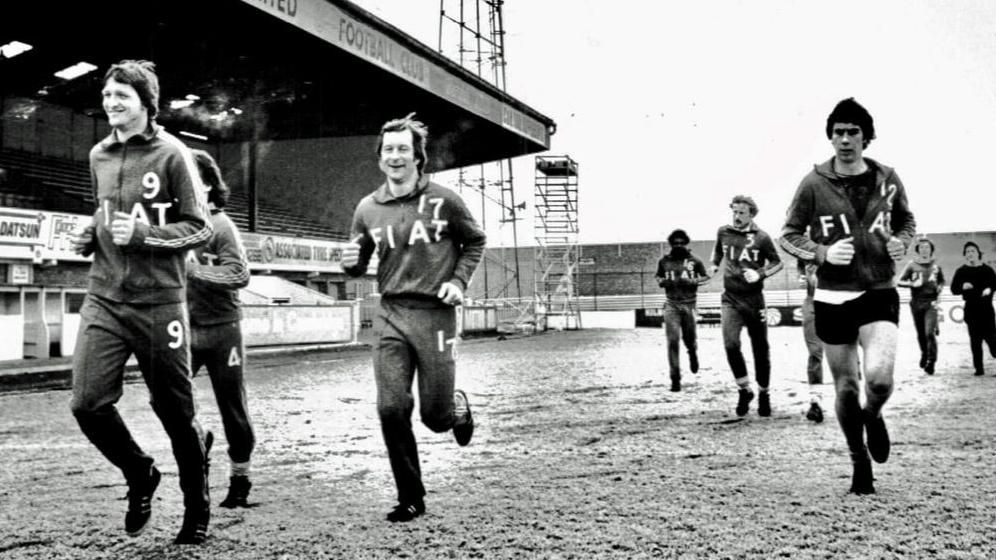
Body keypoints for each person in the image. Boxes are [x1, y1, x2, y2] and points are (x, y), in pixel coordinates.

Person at [67, 60, 215, 543]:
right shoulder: (98, 154)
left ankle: (196, 507)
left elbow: (200, 227)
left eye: (122, 96)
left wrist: (148, 234)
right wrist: (91, 233)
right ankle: (140, 473)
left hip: (159, 304)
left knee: (175, 413)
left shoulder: (174, 155)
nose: (111, 103)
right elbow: (103, 208)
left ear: (146, 104)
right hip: (105, 297)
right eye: (108, 95)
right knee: (88, 404)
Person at [341, 113, 486, 522]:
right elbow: (357, 262)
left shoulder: (445, 200)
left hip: (435, 315)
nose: (396, 156)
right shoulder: (368, 208)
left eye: (403, 149)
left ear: (418, 157)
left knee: (435, 419)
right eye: (389, 149)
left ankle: (455, 407)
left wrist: (458, 281)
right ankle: (410, 496)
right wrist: (349, 263)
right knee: (391, 408)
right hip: (390, 314)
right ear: (380, 157)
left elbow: (474, 241)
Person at [780, 97, 916, 494]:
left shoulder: (888, 177)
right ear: (830, 137)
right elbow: (789, 234)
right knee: (846, 386)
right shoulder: (813, 183)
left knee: (878, 381)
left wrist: (900, 242)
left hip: (878, 289)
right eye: (838, 132)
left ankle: (873, 416)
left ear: (866, 137)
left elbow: (906, 219)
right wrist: (822, 253)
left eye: (853, 132)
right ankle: (860, 463)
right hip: (833, 296)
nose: (844, 139)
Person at [186, 149, 256, 508]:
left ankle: (240, 479)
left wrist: (195, 271)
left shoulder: (222, 226)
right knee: (165, 399)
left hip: (222, 330)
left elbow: (240, 274)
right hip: (183, 330)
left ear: (210, 185)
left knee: (232, 407)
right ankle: (197, 437)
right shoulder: (177, 224)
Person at [710, 195, 783, 417]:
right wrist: (714, 265)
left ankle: (764, 393)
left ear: (751, 214)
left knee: (760, 348)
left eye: (741, 213)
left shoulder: (762, 237)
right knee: (731, 344)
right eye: (734, 211)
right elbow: (719, 252)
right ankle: (744, 389)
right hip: (730, 298)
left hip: (754, 300)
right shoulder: (723, 231)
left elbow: (777, 263)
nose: (737, 216)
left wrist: (758, 273)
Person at [655, 228, 709, 392]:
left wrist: (694, 281)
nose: (678, 245)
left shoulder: (694, 260)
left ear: (686, 243)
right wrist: (662, 281)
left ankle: (692, 353)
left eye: (681, 243)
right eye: (675, 243)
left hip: (689, 304)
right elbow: (658, 276)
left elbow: (705, 277)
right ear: (671, 244)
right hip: (671, 304)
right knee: (672, 340)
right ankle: (675, 378)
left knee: (690, 338)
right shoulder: (664, 261)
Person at [897, 236, 945, 375]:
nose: (925, 250)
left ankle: (931, 361)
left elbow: (941, 280)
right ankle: (924, 353)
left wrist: (940, 287)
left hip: (932, 302)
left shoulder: (936, 265)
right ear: (918, 250)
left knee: (929, 332)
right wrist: (911, 284)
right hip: (916, 302)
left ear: (931, 250)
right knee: (921, 334)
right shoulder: (912, 265)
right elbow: (899, 281)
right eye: (922, 247)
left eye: (927, 247)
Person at [950, 241, 996, 376]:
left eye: (973, 251)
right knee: (975, 340)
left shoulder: (987, 270)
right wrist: (962, 286)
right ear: (965, 255)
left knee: (992, 338)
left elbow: (995, 283)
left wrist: (990, 288)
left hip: (986, 308)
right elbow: (954, 289)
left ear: (978, 253)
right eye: (968, 252)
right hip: (971, 308)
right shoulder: (961, 271)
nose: (970, 254)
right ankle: (979, 369)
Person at [798, 259, 825, 422]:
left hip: (838, 303)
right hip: (812, 303)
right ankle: (816, 400)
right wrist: (802, 277)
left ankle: (853, 397)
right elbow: (801, 268)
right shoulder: (805, 251)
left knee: (846, 350)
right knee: (815, 352)